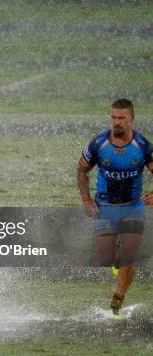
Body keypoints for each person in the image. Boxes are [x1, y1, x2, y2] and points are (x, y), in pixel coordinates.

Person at [77, 98, 153, 315]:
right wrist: (86, 200)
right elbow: (81, 171)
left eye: (121, 118)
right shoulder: (99, 143)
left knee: (130, 254)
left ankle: (118, 297)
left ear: (132, 119)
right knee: (107, 258)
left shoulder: (143, 146)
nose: (116, 122)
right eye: (113, 117)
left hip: (133, 207)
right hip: (105, 207)